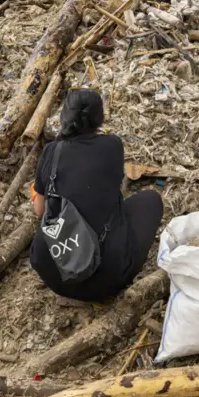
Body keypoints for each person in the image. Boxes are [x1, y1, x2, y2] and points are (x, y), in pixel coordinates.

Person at [29, 89, 163, 302]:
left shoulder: (51, 152)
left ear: (64, 117)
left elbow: (40, 210)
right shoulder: (112, 145)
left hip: (54, 273)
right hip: (106, 278)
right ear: (99, 119)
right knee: (150, 200)